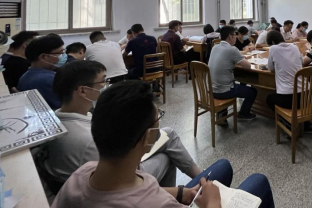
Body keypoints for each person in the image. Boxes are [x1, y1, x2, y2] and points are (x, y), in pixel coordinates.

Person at [52, 80, 275, 208]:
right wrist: (213, 203)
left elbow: (129, 190)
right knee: (259, 182)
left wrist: (180, 192)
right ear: (149, 137)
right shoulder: (157, 204)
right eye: (158, 118)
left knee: (223, 165)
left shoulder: (82, 174)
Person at [46, 61, 202, 189]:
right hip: (122, 178)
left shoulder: (59, 118)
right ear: (83, 91)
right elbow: (121, 174)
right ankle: (196, 183)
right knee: (167, 156)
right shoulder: (87, 141)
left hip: (109, 167)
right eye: (103, 82)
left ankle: (200, 178)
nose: (106, 86)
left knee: (168, 134)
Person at [209, 26, 257, 121]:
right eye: (235, 35)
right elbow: (248, 66)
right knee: (252, 91)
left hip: (212, 89)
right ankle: (244, 113)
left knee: (228, 81)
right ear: (230, 36)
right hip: (224, 91)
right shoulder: (232, 49)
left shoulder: (215, 47)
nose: (236, 37)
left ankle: (221, 115)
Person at [17, 35, 66, 110]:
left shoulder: (29, 74)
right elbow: (65, 108)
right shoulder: (47, 79)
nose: (64, 56)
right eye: (60, 53)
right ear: (43, 57)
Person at [265, 30, 303, 111]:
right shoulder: (294, 46)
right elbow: (302, 62)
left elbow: (271, 68)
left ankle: (284, 118)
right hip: (305, 96)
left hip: (288, 98)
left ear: (272, 42)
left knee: (269, 99)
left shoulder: (273, 48)